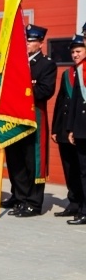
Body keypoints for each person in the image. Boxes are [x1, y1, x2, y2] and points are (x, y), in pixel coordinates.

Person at [3, 25, 57, 217]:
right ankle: (20, 196)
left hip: (34, 119)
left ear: (40, 43)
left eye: (31, 41)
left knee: (32, 161)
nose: (27, 44)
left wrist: (21, 90)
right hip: (15, 119)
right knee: (15, 159)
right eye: (25, 40)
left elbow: (45, 91)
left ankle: (33, 202)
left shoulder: (46, 64)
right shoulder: (17, 62)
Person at [51, 34, 85, 219]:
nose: (75, 55)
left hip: (80, 127)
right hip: (66, 127)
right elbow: (60, 102)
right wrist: (55, 129)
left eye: (78, 51)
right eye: (72, 52)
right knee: (69, 167)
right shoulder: (68, 74)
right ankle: (73, 202)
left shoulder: (84, 72)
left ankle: (83, 205)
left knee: (82, 169)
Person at [65, 34, 86, 225]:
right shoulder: (80, 70)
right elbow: (76, 101)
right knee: (84, 171)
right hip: (81, 128)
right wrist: (71, 127)